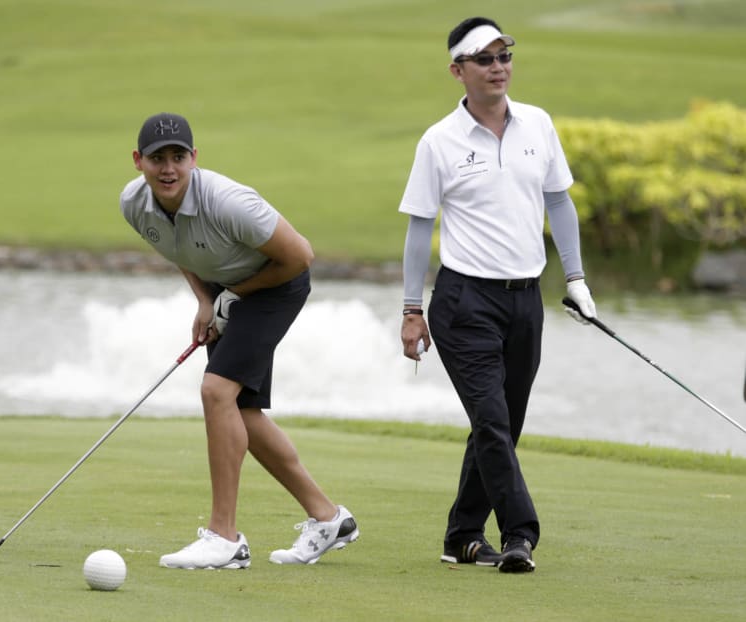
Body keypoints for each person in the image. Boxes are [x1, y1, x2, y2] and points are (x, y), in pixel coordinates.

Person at [398, 17, 597, 573]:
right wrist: (412, 310)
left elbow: (559, 202)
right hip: (464, 302)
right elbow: (419, 229)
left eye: (504, 55)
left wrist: (576, 280)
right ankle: (519, 534)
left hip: (525, 300)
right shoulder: (439, 141)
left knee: (504, 422)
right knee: (492, 421)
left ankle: (462, 535)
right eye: (484, 59)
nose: (498, 67)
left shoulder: (538, 124)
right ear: (458, 71)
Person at [120, 112, 358, 569]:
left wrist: (234, 295)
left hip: (277, 285)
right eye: (157, 159)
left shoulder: (229, 203)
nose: (168, 168)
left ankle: (224, 538)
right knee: (241, 412)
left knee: (216, 391)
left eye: (178, 157)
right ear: (138, 161)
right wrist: (206, 301)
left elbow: (300, 257)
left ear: (194, 158)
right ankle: (329, 519)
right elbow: (180, 248)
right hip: (229, 292)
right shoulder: (134, 204)